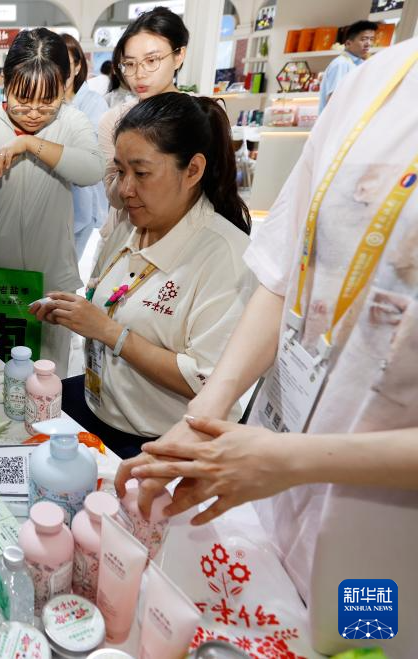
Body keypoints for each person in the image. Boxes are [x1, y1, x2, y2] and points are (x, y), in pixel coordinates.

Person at [116, 37, 418, 656]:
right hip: (272, 474)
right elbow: (283, 274)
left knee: (358, 641)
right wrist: (205, 416)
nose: (126, 188)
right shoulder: (375, 83)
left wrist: (293, 459)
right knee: (252, 622)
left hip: (384, 531)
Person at [32, 93, 255, 459]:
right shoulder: (129, 225)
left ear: (193, 170)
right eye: (120, 171)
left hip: (162, 443)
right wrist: (80, 312)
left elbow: (208, 380)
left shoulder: (226, 257)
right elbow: (114, 300)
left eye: (141, 173)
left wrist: (108, 331)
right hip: (99, 410)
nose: (125, 190)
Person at [0, 28, 104, 375]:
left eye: (48, 100)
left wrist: (26, 144)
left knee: (47, 378)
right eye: (22, 98)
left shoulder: (71, 122)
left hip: (50, 281)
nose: (34, 112)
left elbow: (92, 170)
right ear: (6, 82)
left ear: (64, 86)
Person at [99, 7, 189, 212]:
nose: (139, 74)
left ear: (179, 56)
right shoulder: (113, 120)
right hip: (128, 227)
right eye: (130, 64)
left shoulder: (203, 114)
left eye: (151, 60)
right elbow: (115, 199)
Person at [61, 33, 109, 267]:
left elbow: (88, 154)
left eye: (66, 64)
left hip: (82, 206)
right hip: (49, 208)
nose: (59, 71)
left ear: (78, 66)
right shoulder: (43, 103)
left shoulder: (93, 103)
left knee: (65, 272)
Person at [318, 20, 377, 113]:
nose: (368, 43)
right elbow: (333, 100)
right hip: (338, 121)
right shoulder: (341, 64)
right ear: (348, 43)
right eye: (363, 39)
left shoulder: (359, 63)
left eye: (371, 39)